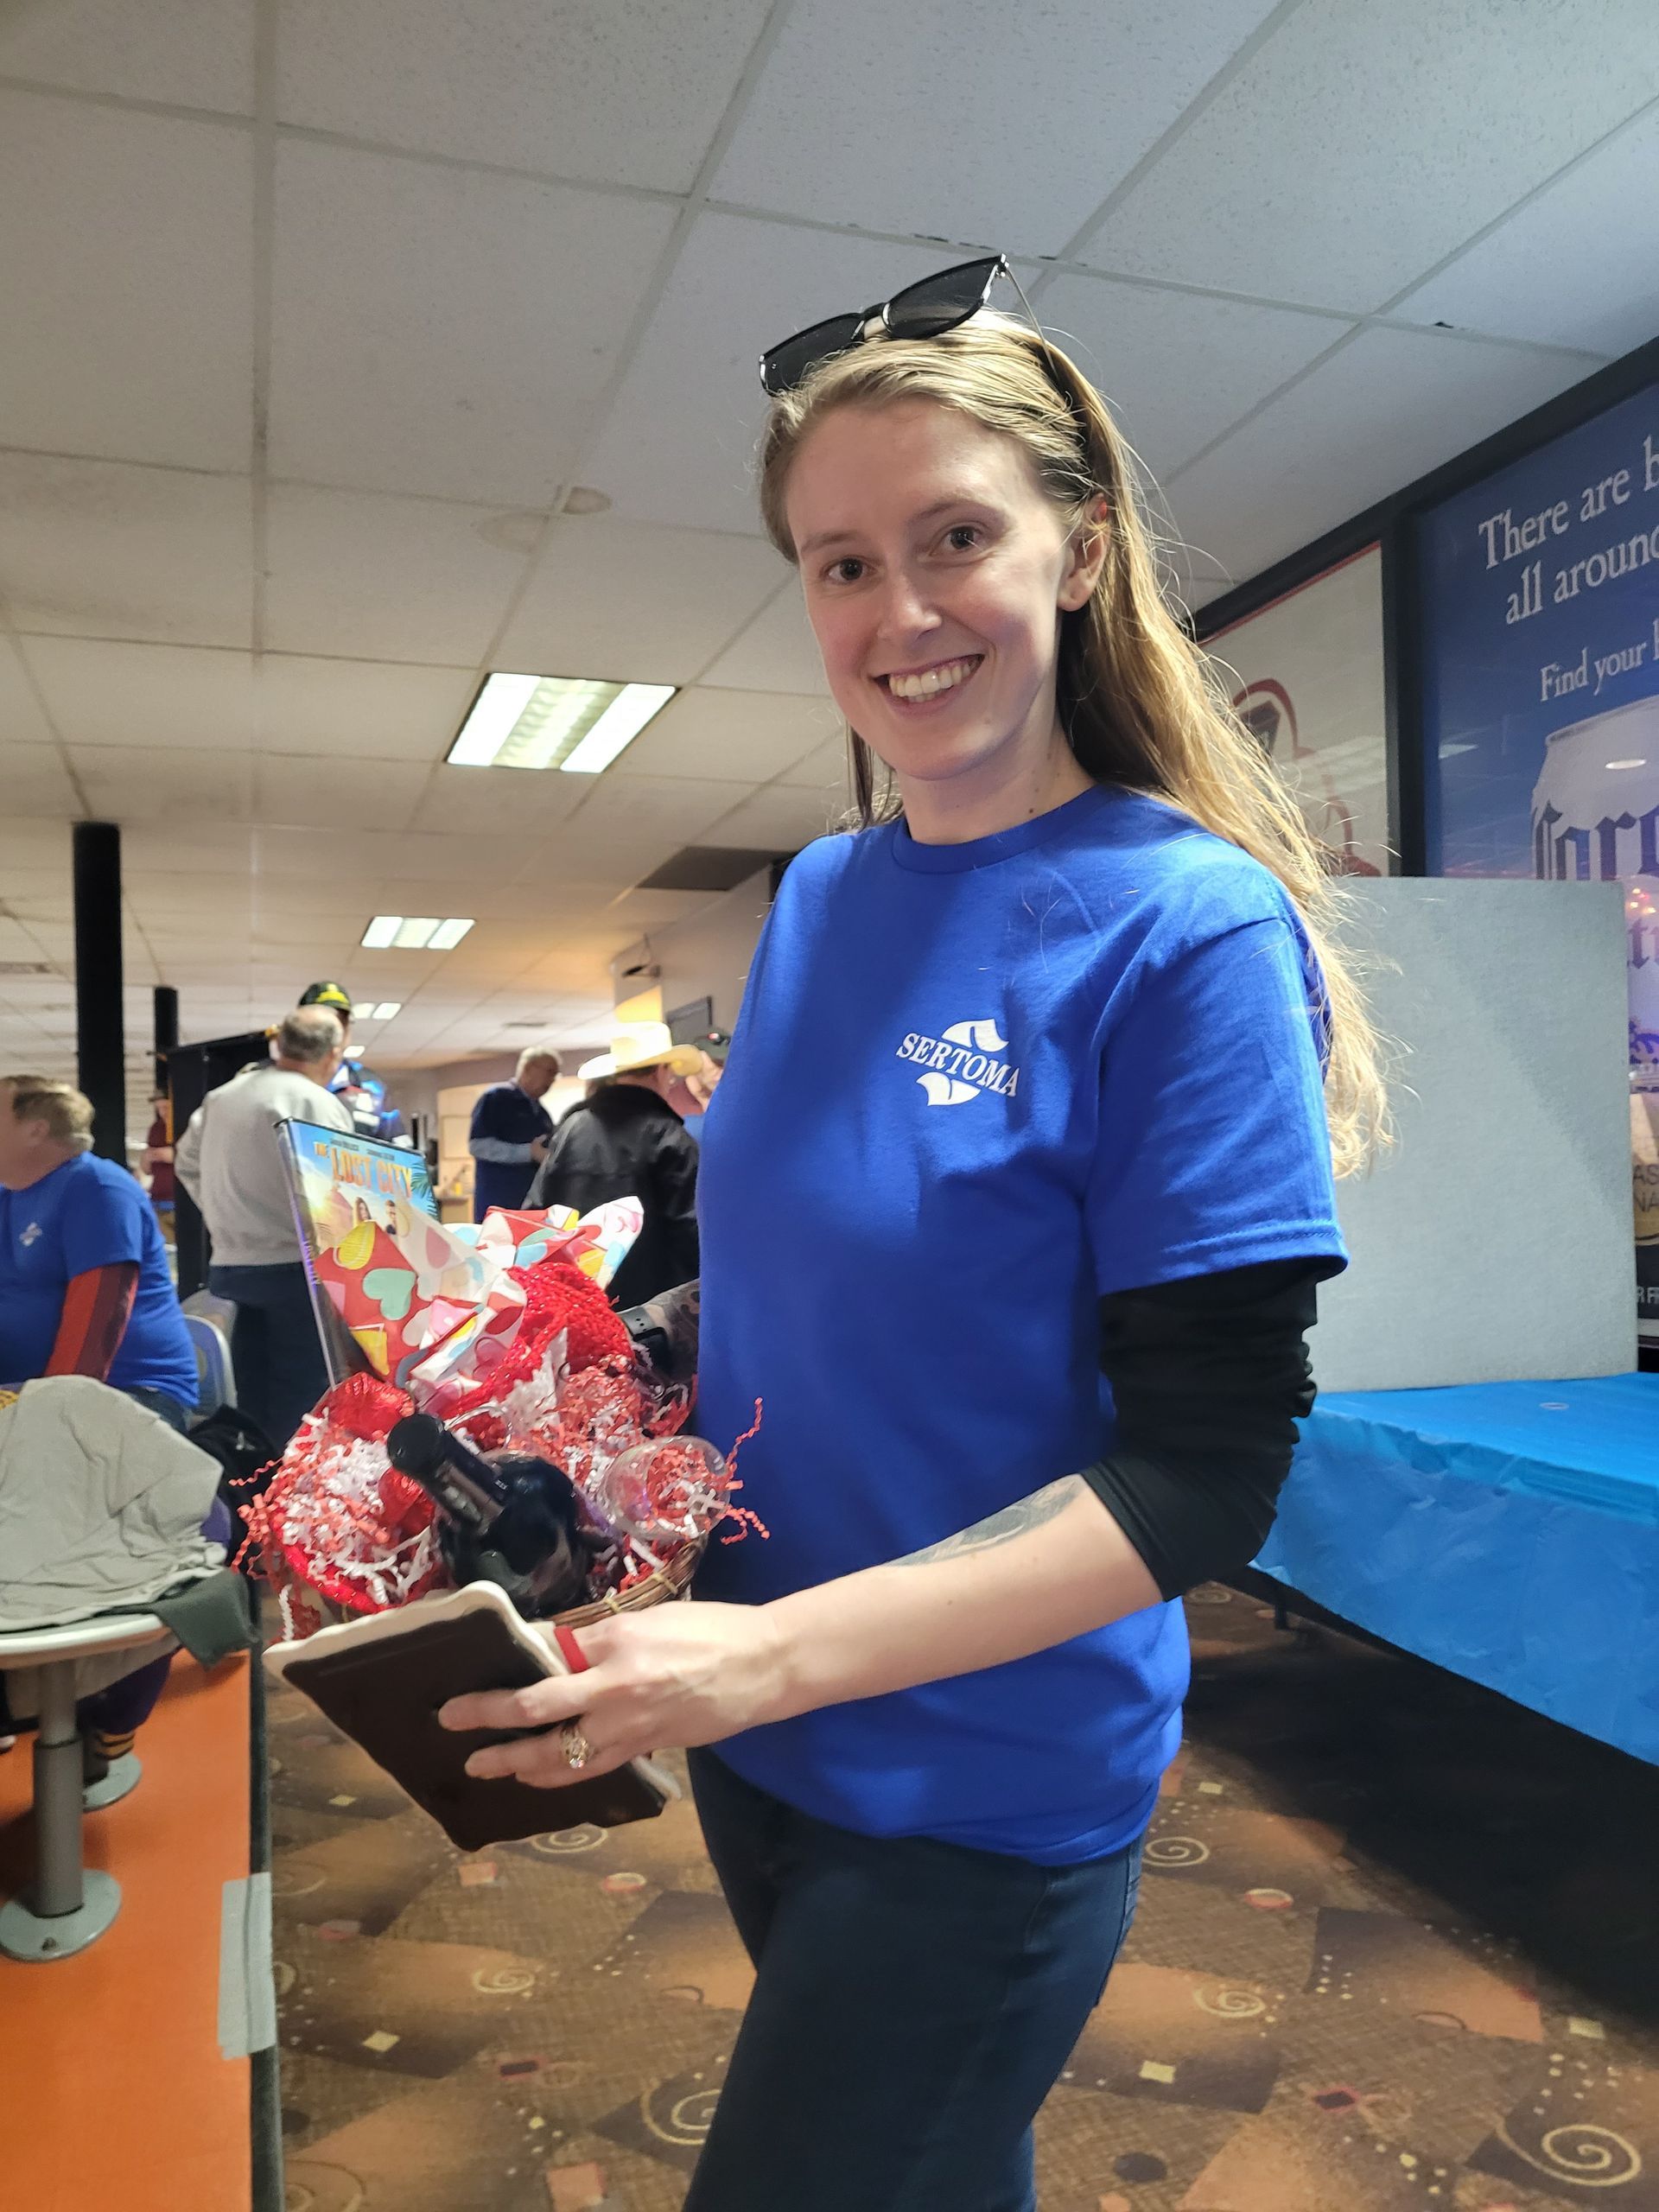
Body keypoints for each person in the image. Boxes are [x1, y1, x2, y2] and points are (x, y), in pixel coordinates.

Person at [438, 273, 1385, 2212]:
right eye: (843, 563)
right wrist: (565, 1387)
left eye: (956, 537)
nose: (900, 613)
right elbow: (807, 1278)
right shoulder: (818, 896)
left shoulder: (1183, 926)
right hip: (758, 1732)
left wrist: (765, 1660)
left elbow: (1210, 1470)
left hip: (979, 1774)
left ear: (1081, 550)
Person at [0, 1074, 204, 1765]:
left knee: (80, 1528)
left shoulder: (96, 1187)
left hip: (129, 1394)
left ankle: (110, 1712)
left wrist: (37, 1428)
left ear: (35, 1127)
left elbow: (97, 1330)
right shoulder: (11, 1193)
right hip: (31, 1395)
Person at [175, 1005, 353, 1449]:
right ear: (334, 1053)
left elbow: (187, 1162)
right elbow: (339, 1194)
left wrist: (226, 1212)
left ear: (279, 1043)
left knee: (249, 1394)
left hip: (231, 1266)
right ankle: (292, 1484)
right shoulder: (317, 1103)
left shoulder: (222, 1097)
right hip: (297, 1271)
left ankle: (254, 1476)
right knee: (304, 1401)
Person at [523, 1024, 702, 1306]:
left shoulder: (573, 1128)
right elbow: (692, 1235)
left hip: (572, 1301)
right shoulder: (671, 1138)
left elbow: (536, 1212)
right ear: (661, 1071)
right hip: (647, 1311)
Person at [300, 980, 410, 1146]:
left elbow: (401, 1152)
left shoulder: (372, 1086)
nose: (334, 1032)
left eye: (341, 1022)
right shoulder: (276, 1082)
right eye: (322, 1025)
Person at [467, 1048, 559, 1220]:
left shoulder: (542, 1114)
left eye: (555, 1074)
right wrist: (529, 1153)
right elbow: (478, 1146)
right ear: (528, 1068)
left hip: (530, 1207)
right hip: (499, 1205)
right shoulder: (496, 1098)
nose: (552, 1079)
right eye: (549, 1072)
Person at [678, 1027, 730, 1145]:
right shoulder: (670, 1106)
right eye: (716, 1062)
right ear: (695, 1059)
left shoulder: (736, 1104)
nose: (723, 1071)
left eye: (728, 1063)